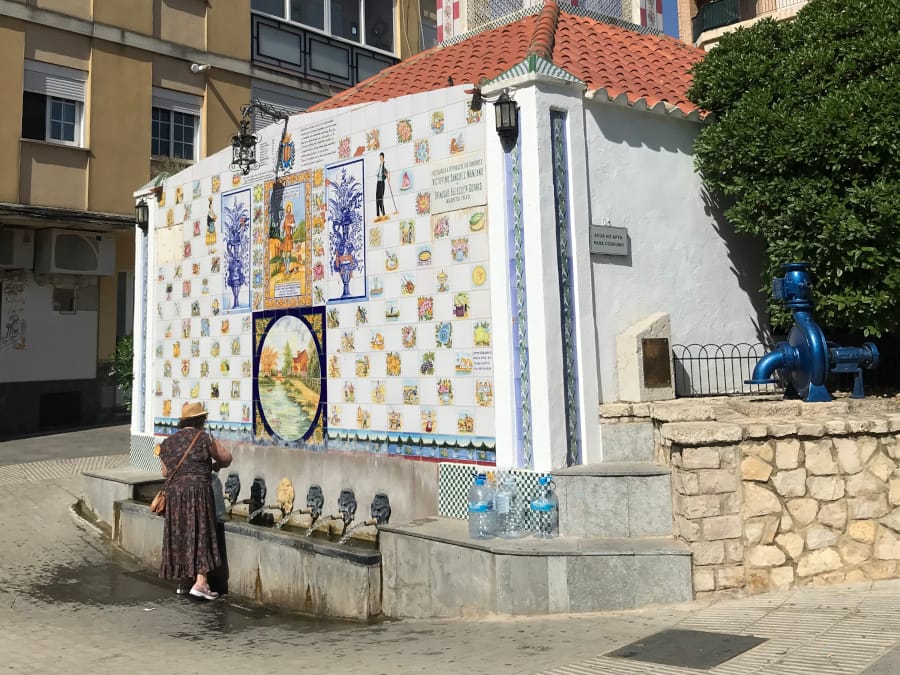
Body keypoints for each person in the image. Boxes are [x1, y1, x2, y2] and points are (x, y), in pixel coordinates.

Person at [158, 401, 232, 600]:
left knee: (180, 532)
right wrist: (215, 465)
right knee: (201, 532)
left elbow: (165, 472)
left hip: (175, 495)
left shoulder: (167, 443)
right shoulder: (203, 438)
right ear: (201, 420)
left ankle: (184, 581)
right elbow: (226, 457)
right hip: (198, 493)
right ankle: (201, 582)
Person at [375, 152, 388, 220]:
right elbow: (376, 173)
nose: (381, 159)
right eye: (380, 158)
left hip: (382, 182)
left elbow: (387, 173)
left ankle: (383, 213)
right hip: (378, 182)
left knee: (380, 198)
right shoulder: (380, 165)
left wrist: (386, 174)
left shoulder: (384, 165)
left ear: (383, 158)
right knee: (377, 198)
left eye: (381, 158)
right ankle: (378, 214)